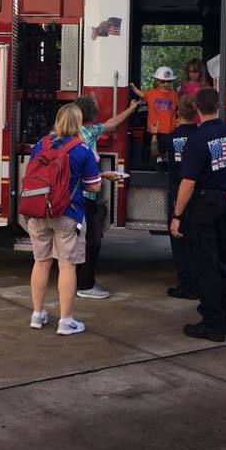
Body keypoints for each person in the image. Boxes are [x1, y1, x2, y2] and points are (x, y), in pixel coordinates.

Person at [170, 88, 226, 342]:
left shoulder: (197, 140)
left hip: (205, 205)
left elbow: (188, 182)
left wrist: (177, 215)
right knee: (222, 262)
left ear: (197, 109)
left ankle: (213, 323)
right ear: (219, 105)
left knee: (206, 266)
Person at [27, 103, 102, 335]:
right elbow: (95, 186)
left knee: (40, 262)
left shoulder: (40, 145)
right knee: (66, 265)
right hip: (68, 213)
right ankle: (66, 321)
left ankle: (37, 314)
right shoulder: (82, 149)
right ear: (78, 123)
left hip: (39, 210)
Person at [74, 94, 140, 299]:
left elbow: (110, 125)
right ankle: (85, 285)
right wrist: (104, 175)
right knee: (92, 241)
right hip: (82, 197)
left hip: (84, 197)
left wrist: (130, 109)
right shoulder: (83, 136)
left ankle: (80, 282)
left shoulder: (86, 131)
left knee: (85, 240)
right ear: (91, 115)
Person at [166, 95, 199, 300]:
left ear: (177, 114)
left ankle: (186, 285)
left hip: (178, 192)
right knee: (196, 240)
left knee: (179, 242)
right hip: (198, 194)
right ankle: (199, 282)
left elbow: (155, 151)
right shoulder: (200, 135)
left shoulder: (170, 138)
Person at [130, 66, 178, 170]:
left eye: (168, 81)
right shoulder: (151, 93)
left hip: (170, 127)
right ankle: (159, 163)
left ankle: (166, 162)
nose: (165, 84)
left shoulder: (174, 94)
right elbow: (142, 95)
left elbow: (179, 108)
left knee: (167, 147)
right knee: (157, 147)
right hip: (155, 128)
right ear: (157, 81)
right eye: (162, 81)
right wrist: (133, 87)